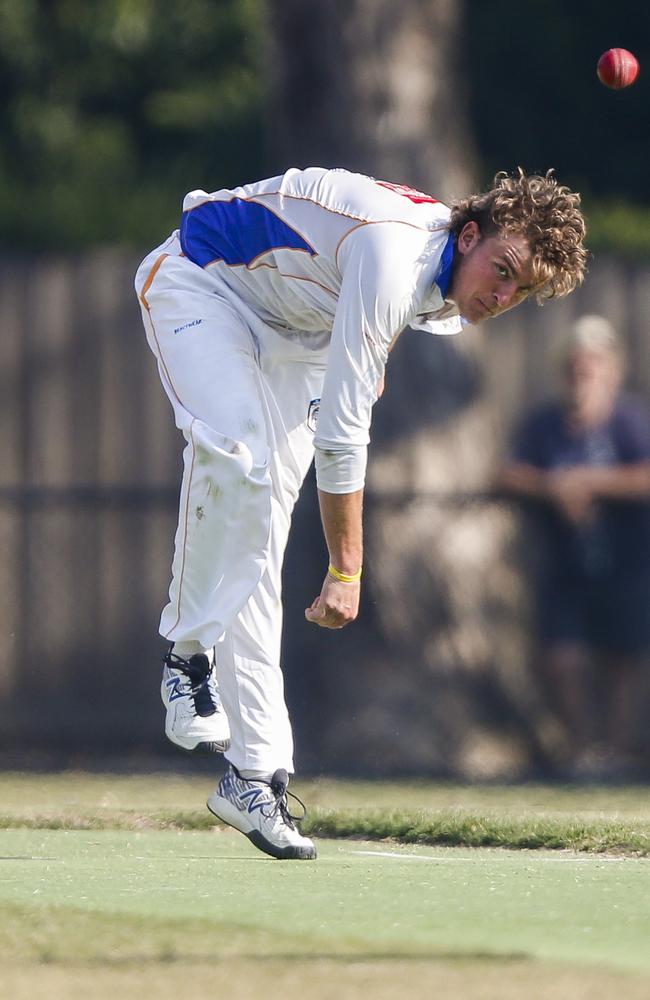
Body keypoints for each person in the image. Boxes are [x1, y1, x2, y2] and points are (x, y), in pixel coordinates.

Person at [135, 165, 587, 859]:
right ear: (469, 235)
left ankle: (255, 774)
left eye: (519, 292)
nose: (501, 296)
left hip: (297, 332)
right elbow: (342, 440)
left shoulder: (446, 272)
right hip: (203, 282)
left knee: (259, 531)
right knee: (236, 458)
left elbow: (385, 313)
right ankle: (186, 656)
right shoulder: (393, 248)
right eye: (502, 270)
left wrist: (369, 350)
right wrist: (347, 569)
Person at [499, 315, 650, 778]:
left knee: (625, 657)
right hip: (565, 566)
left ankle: (618, 754)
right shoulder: (545, 423)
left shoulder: (629, 422)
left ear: (612, 369)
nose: (582, 374)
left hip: (626, 564)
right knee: (564, 658)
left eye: (592, 365)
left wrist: (590, 483)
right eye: (575, 365)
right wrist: (554, 487)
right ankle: (582, 752)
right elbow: (509, 473)